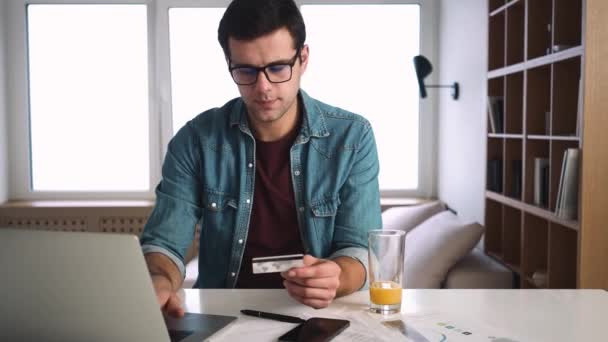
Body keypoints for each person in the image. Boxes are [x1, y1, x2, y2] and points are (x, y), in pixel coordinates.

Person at [140, 0, 382, 317]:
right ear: (229, 65)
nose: (263, 88)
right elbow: (165, 244)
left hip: (320, 315)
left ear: (303, 59)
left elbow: (360, 249)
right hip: (225, 314)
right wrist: (160, 279)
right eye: (246, 71)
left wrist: (337, 276)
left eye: (278, 68)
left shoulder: (353, 137)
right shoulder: (195, 140)